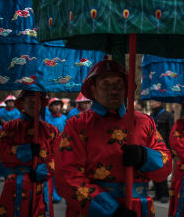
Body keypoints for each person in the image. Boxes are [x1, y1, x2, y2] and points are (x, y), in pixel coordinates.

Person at [54, 59, 172, 216]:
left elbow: (165, 166)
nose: (113, 90)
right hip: (96, 210)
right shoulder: (77, 125)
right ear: (93, 89)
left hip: (138, 208)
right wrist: (110, 209)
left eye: (118, 84)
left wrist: (144, 156)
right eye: (105, 84)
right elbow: (66, 176)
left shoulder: (144, 122)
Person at [0, 90, 60, 217]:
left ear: (42, 103)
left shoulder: (51, 130)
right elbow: (1, 152)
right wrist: (25, 151)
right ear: (22, 103)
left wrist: (44, 169)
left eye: (37, 100)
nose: (33, 103)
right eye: (29, 100)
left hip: (42, 183)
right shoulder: (10, 127)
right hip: (16, 183)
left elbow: (58, 156)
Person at [149, 100, 174, 203]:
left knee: (162, 171)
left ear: (159, 103)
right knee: (154, 171)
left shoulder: (168, 115)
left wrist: (170, 149)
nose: (151, 103)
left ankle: (164, 194)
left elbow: (171, 132)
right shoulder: (152, 115)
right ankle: (158, 193)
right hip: (153, 147)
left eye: (153, 101)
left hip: (164, 148)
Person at [44, 97, 67, 203]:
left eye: (58, 105)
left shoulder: (65, 118)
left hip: (62, 149)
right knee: (51, 171)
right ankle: (53, 194)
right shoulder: (46, 119)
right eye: (54, 105)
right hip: (49, 149)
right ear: (50, 107)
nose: (57, 107)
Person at [0, 94, 21, 181]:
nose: (11, 104)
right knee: (0, 155)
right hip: (2, 135)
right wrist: (2, 127)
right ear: (6, 103)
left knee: (10, 155)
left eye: (12, 102)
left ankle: (8, 174)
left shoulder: (17, 112)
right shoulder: (0, 112)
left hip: (13, 137)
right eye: (9, 102)